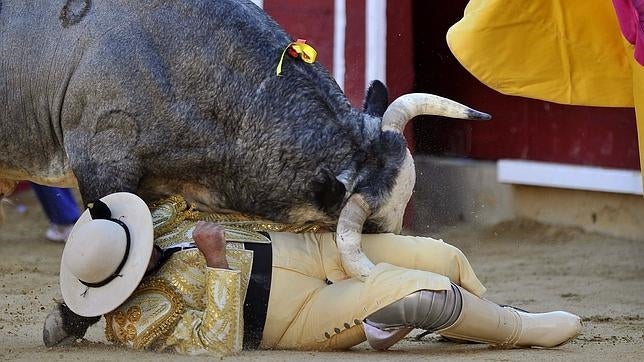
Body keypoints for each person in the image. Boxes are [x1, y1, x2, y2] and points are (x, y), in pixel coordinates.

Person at [43, 192, 582, 355]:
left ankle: (453, 324)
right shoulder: (133, 323)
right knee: (418, 293)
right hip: (293, 316)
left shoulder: (155, 221)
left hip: (312, 248)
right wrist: (216, 265)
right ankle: (516, 328)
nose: (151, 252)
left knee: (438, 257)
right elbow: (216, 346)